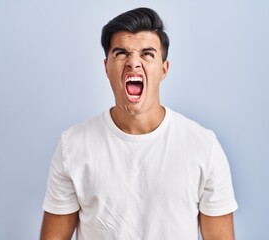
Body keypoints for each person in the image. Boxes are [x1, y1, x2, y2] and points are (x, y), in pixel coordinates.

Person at [40, 7, 238, 240]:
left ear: (164, 69)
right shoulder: (72, 146)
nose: (133, 63)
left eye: (147, 54)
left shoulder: (203, 146)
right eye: (121, 53)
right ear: (106, 67)